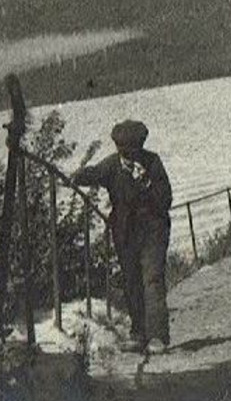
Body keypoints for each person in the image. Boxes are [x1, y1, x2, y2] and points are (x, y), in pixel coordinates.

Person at [68, 119, 172, 353]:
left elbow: (166, 198)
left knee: (152, 279)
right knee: (131, 281)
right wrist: (76, 176)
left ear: (140, 147)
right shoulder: (112, 165)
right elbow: (93, 174)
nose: (128, 157)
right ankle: (138, 333)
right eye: (123, 152)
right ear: (117, 148)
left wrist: (146, 185)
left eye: (132, 151)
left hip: (153, 229)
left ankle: (158, 336)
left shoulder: (153, 162)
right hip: (125, 231)